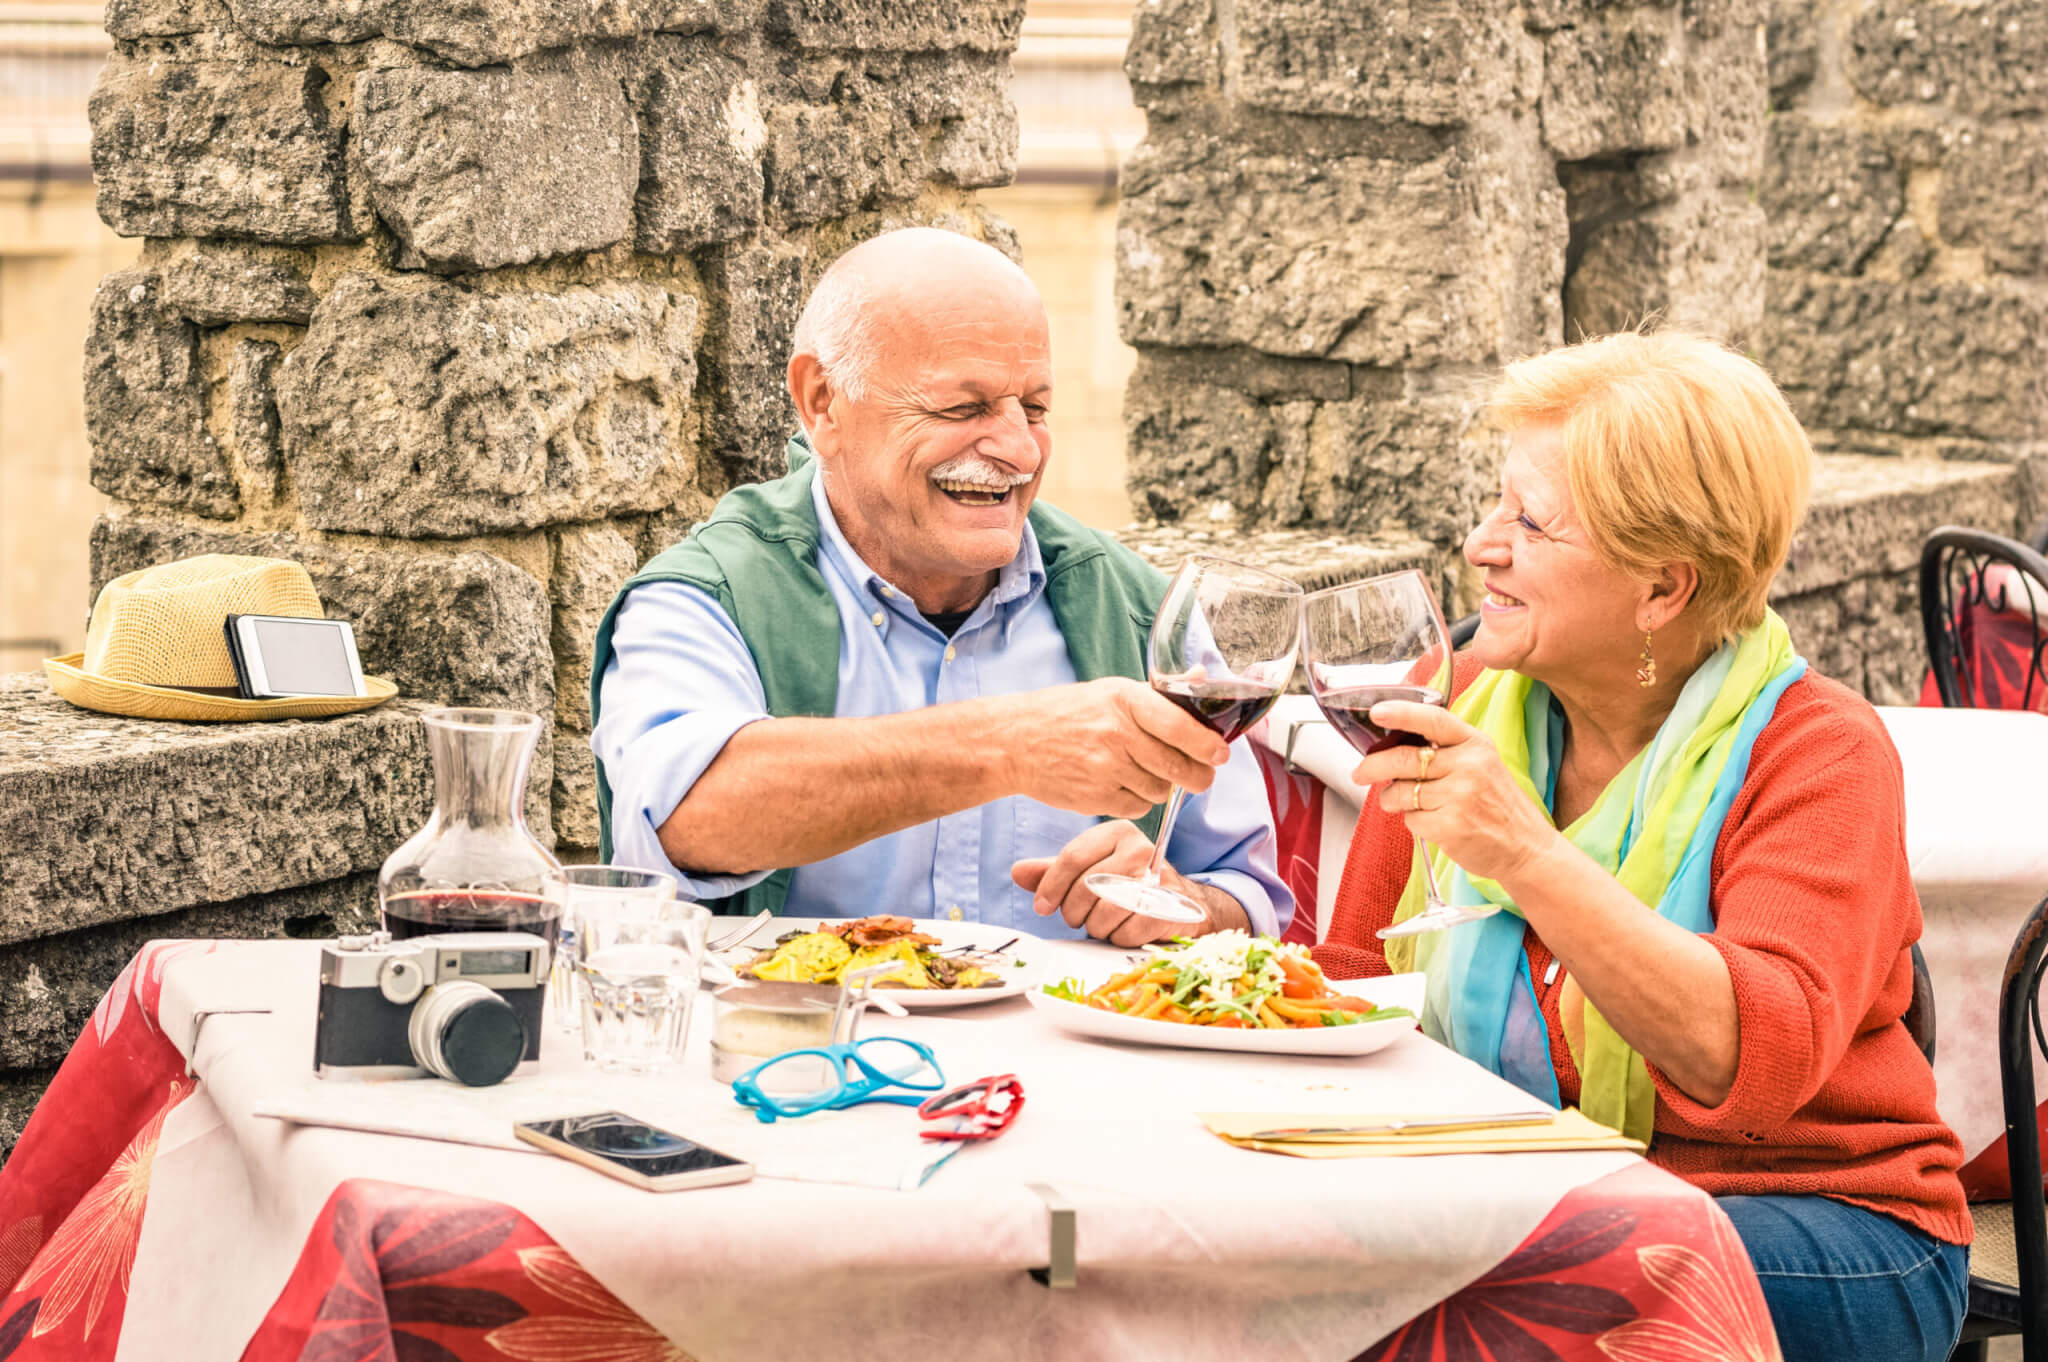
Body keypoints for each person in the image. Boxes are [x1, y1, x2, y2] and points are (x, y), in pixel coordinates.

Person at [1313, 332, 1969, 1362]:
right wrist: (1202, 933)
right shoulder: (1463, 708)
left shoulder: (1819, 752)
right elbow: (1347, 987)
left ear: (1661, 588)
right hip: (1504, 1193)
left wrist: (1526, 855)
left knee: (1509, 1294)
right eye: (1494, 503)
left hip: (1810, 1220)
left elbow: (1743, 1063)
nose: (1482, 544)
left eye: (1528, 522)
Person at [589, 227, 1290, 945]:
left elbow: (1253, 900)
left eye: (1036, 408)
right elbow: (688, 818)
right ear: (823, 401)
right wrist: (1008, 744)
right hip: (802, 1052)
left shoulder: (1138, 607)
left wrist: (1179, 904)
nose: (1019, 449)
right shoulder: (706, 597)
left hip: (1073, 1058)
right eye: (963, 408)